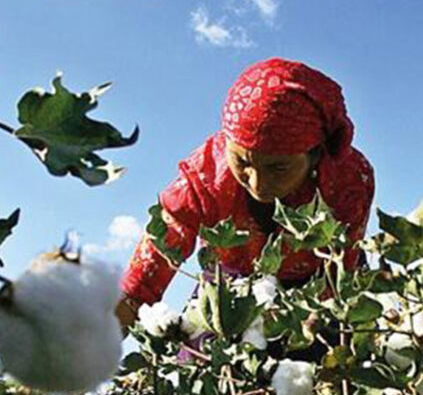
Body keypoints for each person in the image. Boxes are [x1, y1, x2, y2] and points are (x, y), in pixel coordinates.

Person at [117, 58, 375, 326]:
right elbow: (143, 278)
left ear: (315, 154)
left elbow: (341, 271)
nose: (257, 184)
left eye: (278, 167)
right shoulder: (204, 176)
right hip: (228, 289)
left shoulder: (351, 181)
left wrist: (304, 331)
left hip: (316, 289)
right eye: (242, 162)